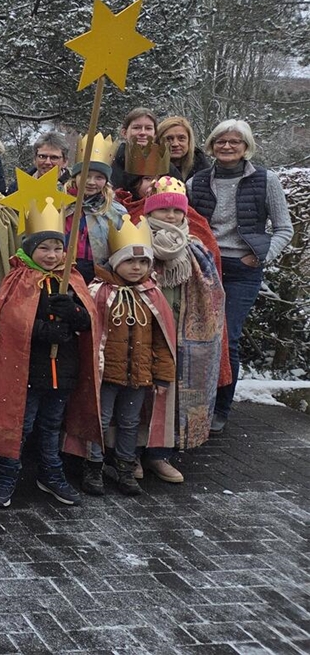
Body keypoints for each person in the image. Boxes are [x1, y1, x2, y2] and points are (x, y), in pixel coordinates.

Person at [0, 199, 101, 509]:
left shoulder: (71, 279)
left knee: (51, 426)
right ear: (30, 250)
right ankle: (7, 475)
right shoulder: (18, 279)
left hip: (64, 372)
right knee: (22, 425)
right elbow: (11, 322)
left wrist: (72, 312)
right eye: (44, 248)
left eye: (57, 248)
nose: (52, 255)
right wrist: (45, 330)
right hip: (28, 372)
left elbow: (89, 322)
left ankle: (51, 473)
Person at [187, 119, 293, 433]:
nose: (228, 146)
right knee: (199, 337)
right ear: (212, 145)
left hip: (242, 271)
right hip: (205, 267)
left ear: (246, 146)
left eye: (235, 142)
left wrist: (260, 255)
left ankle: (221, 407)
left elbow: (284, 229)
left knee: (227, 337)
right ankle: (197, 404)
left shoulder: (265, 180)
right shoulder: (198, 181)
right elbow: (188, 225)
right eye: (221, 141)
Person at [81, 216, 176, 498]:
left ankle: (125, 465)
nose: (137, 268)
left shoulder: (153, 294)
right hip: (106, 375)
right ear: (115, 262)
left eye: (144, 262)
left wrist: (163, 374)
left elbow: (163, 341)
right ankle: (94, 465)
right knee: (100, 418)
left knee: (130, 422)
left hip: (140, 375)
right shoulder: (100, 292)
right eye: (130, 262)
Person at [141, 177, 226, 479]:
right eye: (164, 210)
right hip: (145, 327)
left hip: (180, 332)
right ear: (150, 211)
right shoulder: (135, 240)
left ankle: (159, 453)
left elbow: (211, 291)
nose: (172, 217)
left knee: (169, 392)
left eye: (177, 211)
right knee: (138, 389)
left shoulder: (195, 248)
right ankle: (130, 452)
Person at [66, 132, 128, 283]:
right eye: (86, 175)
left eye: (99, 177)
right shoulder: (61, 206)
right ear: (75, 177)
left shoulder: (115, 211)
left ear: (106, 181)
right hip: (64, 271)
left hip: (98, 276)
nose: (91, 182)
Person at [108, 107, 158, 191]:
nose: (143, 132)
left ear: (155, 134)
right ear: (124, 132)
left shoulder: (163, 163)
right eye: (136, 128)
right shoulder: (110, 161)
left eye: (148, 128)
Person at [156, 115, 211, 183]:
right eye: (169, 139)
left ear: (189, 141)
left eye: (181, 138)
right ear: (158, 141)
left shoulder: (204, 172)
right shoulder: (149, 171)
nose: (175, 144)